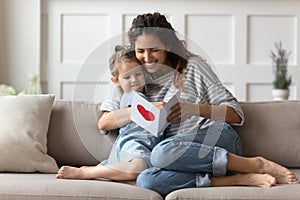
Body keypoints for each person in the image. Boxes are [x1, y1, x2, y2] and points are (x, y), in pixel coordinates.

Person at [126, 12, 298, 196]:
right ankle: (237, 179)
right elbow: (112, 120)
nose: (147, 57)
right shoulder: (140, 81)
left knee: (161, 153)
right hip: (184, 158)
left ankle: (256, 164)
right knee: (146, 179)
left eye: (154, 50)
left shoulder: (192, 67)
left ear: (167, 46)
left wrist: (192, 109)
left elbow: (235, 113)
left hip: (216, 138)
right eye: (140, 51)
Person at [56, 45, 164, 181]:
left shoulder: (154, 93)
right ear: (116, 81)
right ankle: (87, 173)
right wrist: (139, 110)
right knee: (138, 168)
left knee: (148, 175)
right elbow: (103, 123)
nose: (134, 80)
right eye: (127, 77)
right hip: (132, 145)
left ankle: (116, 173)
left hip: (151, 147)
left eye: (138, 74)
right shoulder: (119, 97)